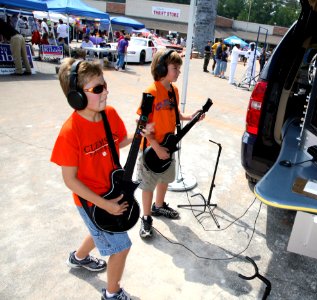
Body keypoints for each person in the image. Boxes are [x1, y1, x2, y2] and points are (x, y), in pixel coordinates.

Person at [51, 58, 154, 299]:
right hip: (90, 201)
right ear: (76, 97)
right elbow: (70, 180)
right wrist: (105, 204)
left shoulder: (109, 114)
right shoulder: (70, 132)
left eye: (105, 85)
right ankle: (112, 293)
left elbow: (118, 141)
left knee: (100, 230)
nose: (106, 91)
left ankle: (78, 257)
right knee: (121, 246)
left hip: (112, 190)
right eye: (98, 89)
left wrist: (138, 136)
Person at [137, 49, 206, 238]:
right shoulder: (150, 92)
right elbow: (142, 124)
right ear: (161, 68)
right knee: (148, 185)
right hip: (152, 149)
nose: (178, 72)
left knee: (166, 178)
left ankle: (158, 206)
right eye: (175, 68)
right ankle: (146, 217)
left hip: (168, 146)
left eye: (178, 68)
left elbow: (177, 115)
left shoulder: (173, 91)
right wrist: (156, 147)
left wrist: (191, 116)